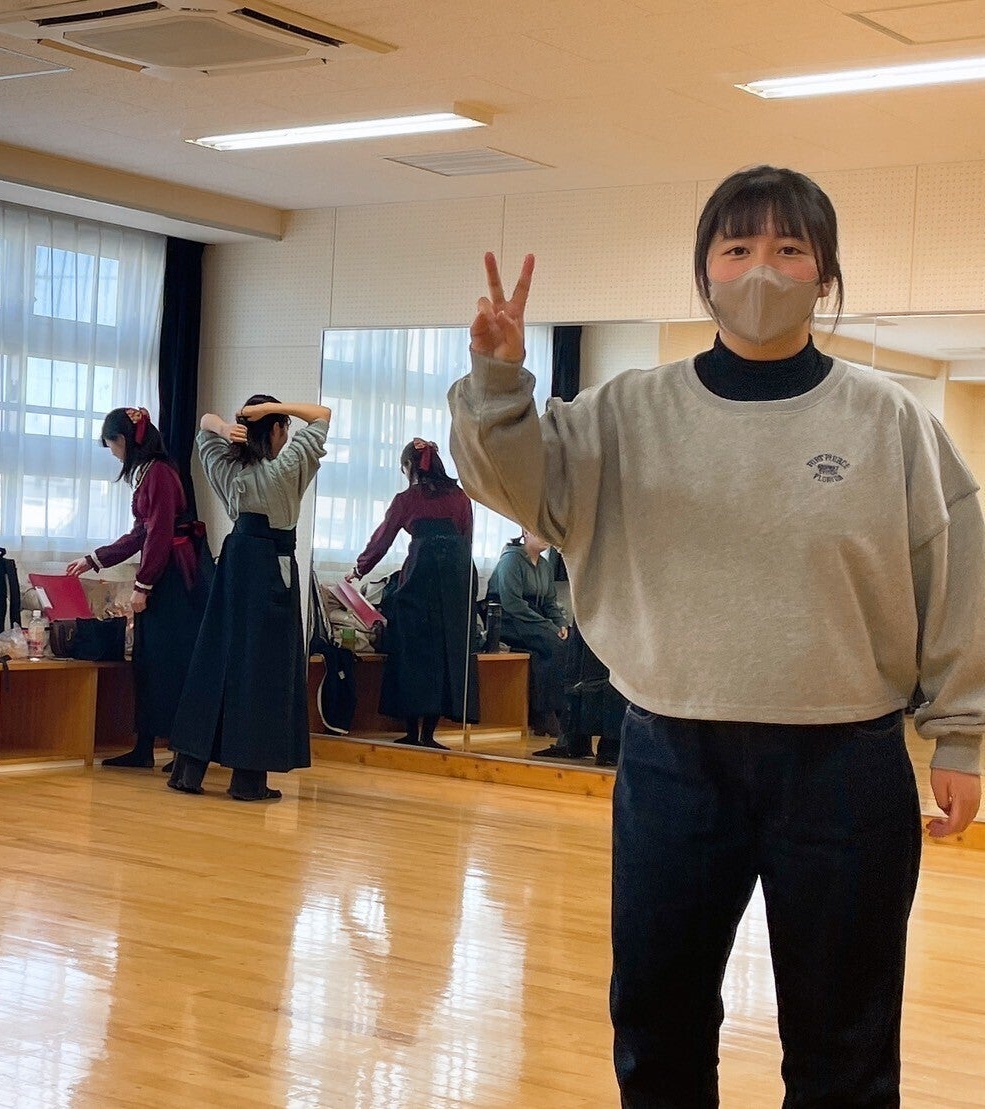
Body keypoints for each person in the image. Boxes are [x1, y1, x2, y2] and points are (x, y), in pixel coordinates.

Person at [448, 164, 984, 1106]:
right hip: (673, 758)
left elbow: (958, 577)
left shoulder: (889, 420)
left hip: (844, 762)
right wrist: (498, 385)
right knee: (657, 1026)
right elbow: (516, 484)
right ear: (704, 273)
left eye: (788, 248)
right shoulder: (624, 414)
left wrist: (962, 733)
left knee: (845, 1045)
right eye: (736, 248)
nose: (761, 270)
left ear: (824, 274)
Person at [167, 396, 331, 801]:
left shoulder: (226, 467)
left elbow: (205, 424)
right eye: (284, 427)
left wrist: (226, 427)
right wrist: (274, 409)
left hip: (235, 566)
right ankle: (248, 780)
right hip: (272, 567)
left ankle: (189, 772)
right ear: (275, 429)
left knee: (217, 661)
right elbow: (322, 415)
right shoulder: (285, 468)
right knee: (264, 670)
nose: (287, 435)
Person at [67, 407, 212, 769]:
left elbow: (159, 534)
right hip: (164, 571)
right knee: (148, 659)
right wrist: (94, 559)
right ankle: (144, 746)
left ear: (125, 440)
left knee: (171, 660)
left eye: (113, 445)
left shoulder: (159, 473)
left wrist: (142, 586)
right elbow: (141, 534)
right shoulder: (149, 472)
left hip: (175, 577)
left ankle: (182, 751)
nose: (114, 453)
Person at [347, 438, 479, 749]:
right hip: (454, 584)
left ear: (409, 466)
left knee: (410, 652)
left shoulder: (406, 499)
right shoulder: (461, 497)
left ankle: (411, 731)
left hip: (419, 580)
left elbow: (382, 538)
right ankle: (429, 734)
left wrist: (360, 569)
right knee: (444, 654)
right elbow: (467, 538)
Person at [489, 528, 570, 753]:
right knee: (553, 644)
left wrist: (561, 624)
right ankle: (545, 712)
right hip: (509, 620)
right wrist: (549, 627)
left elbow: (550, 604)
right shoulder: (511, 560)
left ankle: (563, 713)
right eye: (540, 532)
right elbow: (512, 604)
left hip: (535, 619)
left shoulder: (545, 565)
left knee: (568, 643)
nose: (545, 537)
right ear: (525, 532)